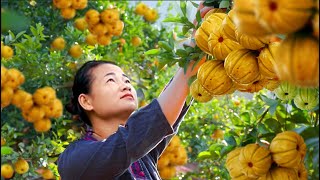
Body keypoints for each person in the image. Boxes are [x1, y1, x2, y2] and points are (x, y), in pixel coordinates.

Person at [57, 3, 212, 180]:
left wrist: (206, 38)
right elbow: (153, 122)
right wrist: (194, 45)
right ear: (86, 101)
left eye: (126, 80)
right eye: (110, 80)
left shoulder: (142, 156)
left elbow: (178, 97)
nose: (125, 85)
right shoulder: (76, 160)